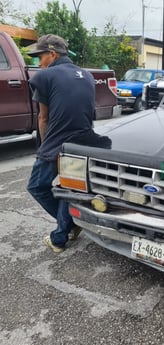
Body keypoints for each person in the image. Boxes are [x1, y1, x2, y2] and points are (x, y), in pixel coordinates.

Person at [27, 34, 95, 253]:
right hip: (83, 144)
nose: (39, 62)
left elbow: (43, 118)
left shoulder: (45, 77)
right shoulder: (86, 75)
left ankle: (63, 232)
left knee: (37, 186)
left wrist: (45, 148)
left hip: (57, 143)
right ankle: (67, 228)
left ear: (52, 54)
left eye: (40, 56)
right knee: (68, 190)